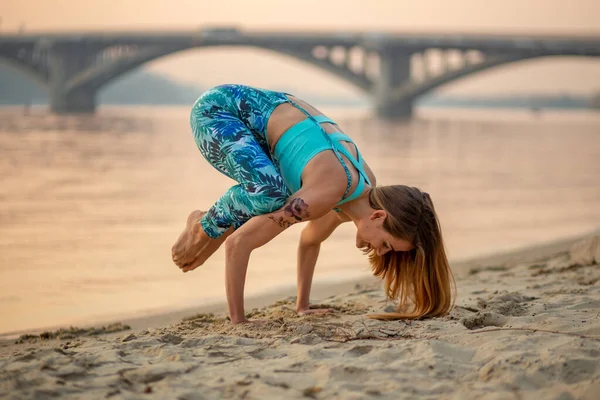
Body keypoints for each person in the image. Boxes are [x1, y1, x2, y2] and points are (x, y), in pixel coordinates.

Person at [171, 84, 455, 324]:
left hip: (257, 115)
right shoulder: (326, 194)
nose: (379, 252)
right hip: (218, 112)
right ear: (379, 216)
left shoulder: (358, 189)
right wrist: (239, 322)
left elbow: (310, 240)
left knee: (273, 195)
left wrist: (302, 305)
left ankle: (209, 227)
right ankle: (201, 224)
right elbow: (239, 243)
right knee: (271, 195)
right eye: (386, 245)